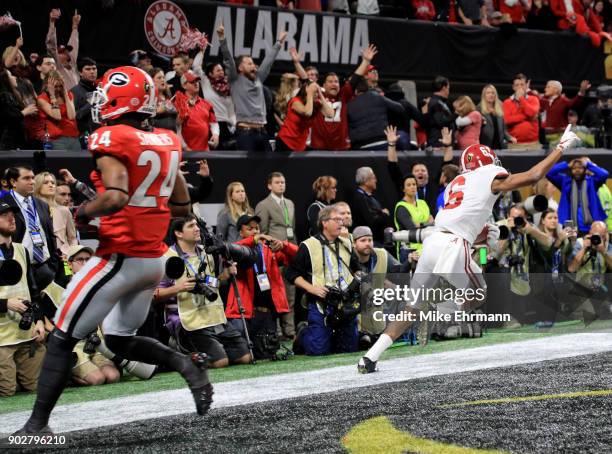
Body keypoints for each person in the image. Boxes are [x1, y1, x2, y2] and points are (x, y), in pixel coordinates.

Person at [16, 66, 212, 435]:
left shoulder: (111, 136)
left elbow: (117, 196)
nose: (101, 102)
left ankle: (36, 424)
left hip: (119, 258)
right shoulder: (168, 141)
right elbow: (184, 206)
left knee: (61, 337)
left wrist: (80, 211)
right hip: (154, 260)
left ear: (123, 98)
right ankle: (186, 365)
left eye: (107, 95)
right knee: (120, 339)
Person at [358, 125, 581, 373]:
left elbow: (457, 220)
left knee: (411, 307)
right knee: (478, 295)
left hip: (434, 242)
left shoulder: (457, 183)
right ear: (486, 164)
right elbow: (533, 175)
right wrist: (561, 147)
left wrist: (478, 234)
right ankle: (437, 310)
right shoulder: (488, 176)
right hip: (453, 245)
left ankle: (369, 357)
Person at [156, 215, 252, 368]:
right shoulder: (168, 258)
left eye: (196, 225)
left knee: (245, 357)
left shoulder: (206, 253)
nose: (196, 229)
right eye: (191, 226)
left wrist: (225, 275)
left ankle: (209, 347)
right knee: (221, 362)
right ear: (178, 233)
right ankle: (177, 347)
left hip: (214, 317)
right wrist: (179, 288)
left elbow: (211, 282)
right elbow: (155, 294)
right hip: (188, 322)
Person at [286, 205, 362, 355]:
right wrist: (311, 288)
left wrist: (356, 282)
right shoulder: (308, 245)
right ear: (324, 223)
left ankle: (331, 337)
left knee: (350, 349)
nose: (341, 223)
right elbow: (291, 273)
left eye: (342, 219)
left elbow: (356, 267)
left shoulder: (347, 243)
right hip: (322, 302)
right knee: (318, 351)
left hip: (345, 302)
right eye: (337, 219)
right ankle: (302, 336)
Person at [227, 215, 298, 358]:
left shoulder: (267, 249)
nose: (255, 231)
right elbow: (232, 249)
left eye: (257, 228)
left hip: (267, 309)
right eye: (250, 229)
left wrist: (284, 245)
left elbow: (296, 256)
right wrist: (253, 240)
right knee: (247, 353)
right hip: (246, 311)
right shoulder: (237, 249)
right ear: (241, 232)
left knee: (267, 352)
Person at [292, 44, 377, 151]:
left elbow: (355, 78)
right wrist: (296, 63)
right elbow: (305, 79)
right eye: (330, 81)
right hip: (319, 146)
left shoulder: (343, 95)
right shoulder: (317, 94)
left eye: (336, 82)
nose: (334, 84)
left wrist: (365, 61)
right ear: (323, 85)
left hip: (341, 146)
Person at [218, 23, 287, 152]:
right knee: (246, 170)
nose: (253, 66)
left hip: (263, 132)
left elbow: (268, 61)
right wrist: (222, 39)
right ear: (240, 68)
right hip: (245, 133)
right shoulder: (235, 79)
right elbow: (228, 58)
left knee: (267, 170)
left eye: (253, 63)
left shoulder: (258, 78)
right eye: (249, 63)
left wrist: (279, 42)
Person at [0, 202, 46, 397]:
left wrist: (39, 319)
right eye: (4, 215)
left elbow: (33, 290)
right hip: (2, 338)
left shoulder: (21, 250)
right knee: (7, 391)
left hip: (26, 331)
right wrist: (5, 303)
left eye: (12, 214)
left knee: (36, 388)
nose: (11, 218)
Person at [1, 165, 60, 291]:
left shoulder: (42, 204)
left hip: (44, 268)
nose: (32, 181)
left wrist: (52, 266)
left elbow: (50, 236)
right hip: (17, 267)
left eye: (33, 178)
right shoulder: (3, 202)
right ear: (13, 182)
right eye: (26, 178)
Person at [255, 172, 297, 339]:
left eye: (283, 182)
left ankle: (290, 330)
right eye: (277, 182)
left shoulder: (290, 203)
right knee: (275, 294)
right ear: (269, 185)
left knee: (290, 294)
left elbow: (292, 230)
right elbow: (261, 232)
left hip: (289, 254)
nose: (281, 185)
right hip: (273, 256)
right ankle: (276, 331)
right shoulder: (263, 205)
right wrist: (267, 254)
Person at [546, 157, 609, 234]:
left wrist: (588, 164)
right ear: (570, 170)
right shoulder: (565, 182)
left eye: (580, 167)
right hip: (569, 224)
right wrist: (567, 165)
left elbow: (604, 174)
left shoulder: (592, 182)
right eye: (574, 168)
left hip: (592, 224)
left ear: (585, 169)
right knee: (572, 245)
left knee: (591, 244)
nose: (577, 170)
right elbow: (549, 173)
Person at [192, 53, 236, 149]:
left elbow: (231, 110)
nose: (221, 72)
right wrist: (202, 51)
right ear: (210, 74)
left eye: (222, 70)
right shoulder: (206, 82)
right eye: (218, 70)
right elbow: (195, 67)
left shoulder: (228, 87)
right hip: (212, 125)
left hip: (227, 126)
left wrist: (234, 124)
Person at [275, 81, 334, 152]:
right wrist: (310, 93)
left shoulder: (316, 104)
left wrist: (321, 94)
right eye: (315, 92)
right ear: (307, 90)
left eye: (316, 92)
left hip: (300, 145)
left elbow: (330, 114)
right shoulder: (295, 101)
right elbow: (307, 112)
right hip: (285, 142)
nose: (316, 94)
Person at [33, 172, 77, 257]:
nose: (51, 185)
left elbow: (72, 238)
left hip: (63, 258)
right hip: (40, 257)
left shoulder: (64, 211)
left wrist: (71, 254)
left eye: (53, 183)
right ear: (37, 186)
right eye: (46, 183)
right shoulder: (31, 210)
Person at [174, 71, 219, 151]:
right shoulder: (179, 104)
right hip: (188, 151)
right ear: (184, 85)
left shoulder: (206, 104)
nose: (196, 84)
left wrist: (215, 135)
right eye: (192, 82)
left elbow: (213, 122)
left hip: (205, 151)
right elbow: (177, 129)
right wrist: (185, 147)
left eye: (197, 81)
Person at [393, 173, 434, 260]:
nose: (412, 187)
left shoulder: (423, 203)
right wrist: (427, 223)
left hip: (426, 246)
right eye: (408, 185)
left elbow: (432, 222)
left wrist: (421, 224)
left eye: (414, 184)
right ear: (403, 189)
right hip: (408, 249)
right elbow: (411, 227)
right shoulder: (401, 207)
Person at [37, 71, 80, 150]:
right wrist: (52, 95)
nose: (58, 89)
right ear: (47, 85)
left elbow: (72, 116)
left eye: (60, 86)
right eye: (55, 86)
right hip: (56, 139)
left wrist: (65, 94)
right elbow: (57, 116)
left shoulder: (69, 94)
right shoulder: (42, 98)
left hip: (73, 136)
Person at [352, 167, 392, 245]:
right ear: (366, 181)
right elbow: (371, 220)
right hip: (370, 241)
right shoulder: (360, 198)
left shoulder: (368, 197)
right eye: (373, 178)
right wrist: (384, 214)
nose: (376, 181)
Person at [0, 68, 38, 150]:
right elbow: (9, 117)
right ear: (5, 80)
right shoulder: (5, 95)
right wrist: (25, 112)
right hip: (9, 143)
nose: (14, 77)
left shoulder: (11, 95)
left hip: (15, 140)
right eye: (11, 75)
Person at [503, 73, 541, 149]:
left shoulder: (534, 99)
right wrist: (527, 116)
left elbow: (532, 113)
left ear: (526, 86)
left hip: (533, 144)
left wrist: (521, 99)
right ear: (513, 87)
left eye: (522, 84)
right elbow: (507, 120)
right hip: (514, 145)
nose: (520, 87)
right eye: (517, 85)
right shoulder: (507, 102)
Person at [45, 9, 80, 90]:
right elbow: (51, 45)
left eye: (66, 51)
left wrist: (75, 27)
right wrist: (52, 22)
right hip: (64, 99)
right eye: (62, 52)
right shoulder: (57, 66)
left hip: (78, 99)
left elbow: (74, 44)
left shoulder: (72, 64)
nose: (66, 53)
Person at [478, 84, 516, 149]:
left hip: (500, 145)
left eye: (493, 93)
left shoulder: (500, 107)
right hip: (485, 146)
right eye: (488, 93)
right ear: (484, 95)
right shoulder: (479, 109)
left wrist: (509, 137)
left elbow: (503, 129)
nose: (491, 95)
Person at [70, 57, 98, 138]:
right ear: (80, 73)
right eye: (88, 69)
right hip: (82, 137)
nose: (92, 72)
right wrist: (92, 103)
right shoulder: (73, 92)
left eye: (94, 68)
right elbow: (74, 116)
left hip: (100, 135)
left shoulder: (100, 90)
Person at [426, 76, 454, 148]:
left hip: (442, 141)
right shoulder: (436, 103)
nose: (448, 91)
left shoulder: (439, 102)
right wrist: (457, 114)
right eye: (448, 88)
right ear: (444, 88)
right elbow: (440, 121)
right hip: (438, 143)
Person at [148, 67, 178, 132]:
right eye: (159, 78)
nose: (163, 80)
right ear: (151, 81)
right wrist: (156, 112)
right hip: (157, 136)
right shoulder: (149, 98)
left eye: (163, 77)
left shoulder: (170, 97)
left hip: (172, 135)